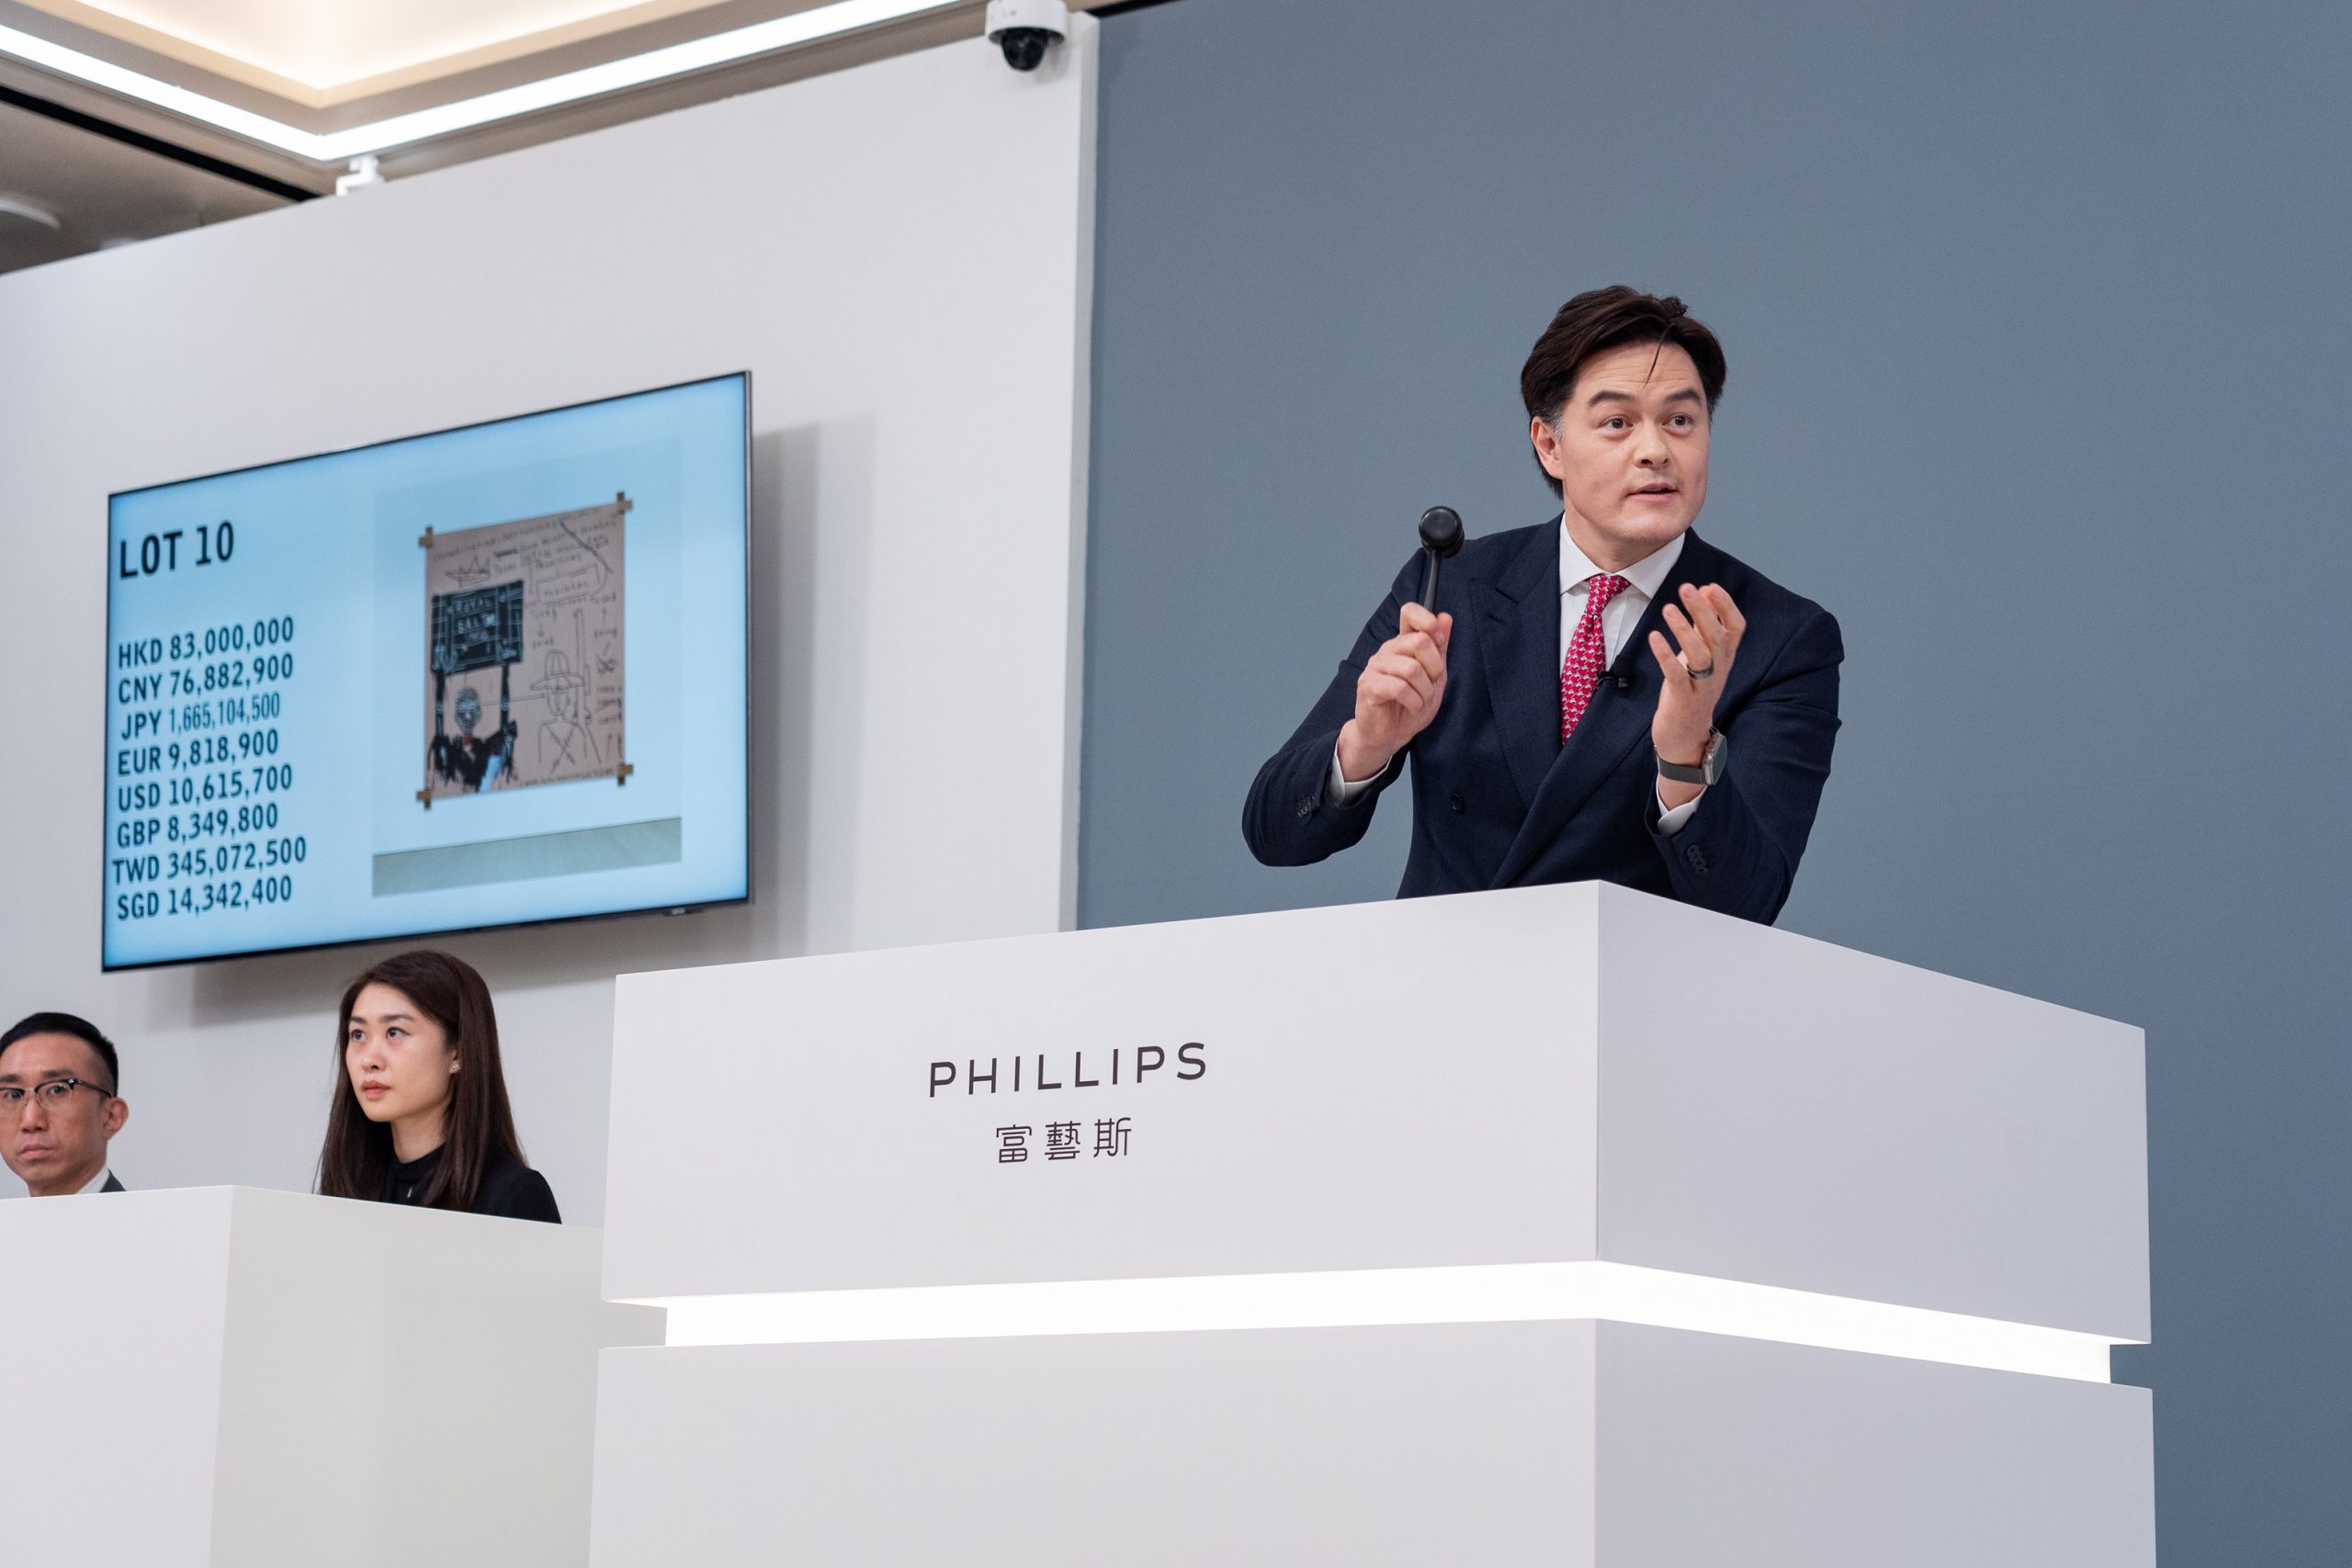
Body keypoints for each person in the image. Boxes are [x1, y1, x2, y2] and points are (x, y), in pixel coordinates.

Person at [1244, 286, 1842, 925]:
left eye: (1680, 421)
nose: (1655, 450)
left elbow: (1748, 904)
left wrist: (1682, 758)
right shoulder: (1453, 585)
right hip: (1442, 995)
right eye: (1617, 422)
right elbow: (1274, 831)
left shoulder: (1778, 635)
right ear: (1549, 445)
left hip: (1630, 1007)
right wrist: (1366, 745)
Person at [316, 950, 560, 1223]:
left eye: (394, 1032)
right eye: (358, 1034)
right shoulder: (351, 1189)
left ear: (457, 1054)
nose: (369, 1060)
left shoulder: (513, 1194)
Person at [0, 1012, 129, 1197]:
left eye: (57, 1090)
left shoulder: (151, 1226)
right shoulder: (8, 1225)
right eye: (12, 1094)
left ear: (111, 1117)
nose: (30, 1121)